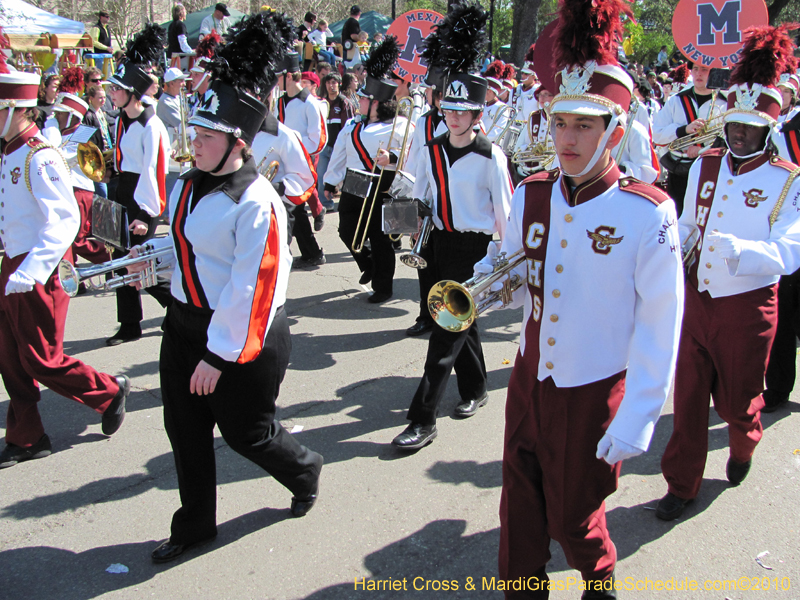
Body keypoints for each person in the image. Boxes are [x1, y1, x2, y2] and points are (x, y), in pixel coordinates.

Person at [487, 1, 683, 594]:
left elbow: (660, 322)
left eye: (584, 127)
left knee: (576, 519)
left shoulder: (646, 212)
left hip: (592, 390)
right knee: (518, 516)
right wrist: (491, 281)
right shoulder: (532, 193)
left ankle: (599, 583)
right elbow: (515, 272)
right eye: (559, 123)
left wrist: (640, 413)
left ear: (614, 133)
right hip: (528, 379)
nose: (566, 139)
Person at [133, 14, 323, 562]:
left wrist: (218, 356)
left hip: (245, 336)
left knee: (248, 435)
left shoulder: (257, 201)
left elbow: (252, 290)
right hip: (185, 324)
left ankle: (305, 469)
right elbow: (183, 250)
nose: (194, 143)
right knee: (184, 431)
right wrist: (142, 259)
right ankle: (194, 525)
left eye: (207, 136)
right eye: (194, 132)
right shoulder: (189, 185)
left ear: (237, 141)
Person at [657, 25, 800, 522]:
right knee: (689, 397)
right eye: (733, 125)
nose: (738, 134)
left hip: (747, 304)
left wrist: (741, 250)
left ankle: (744, 444)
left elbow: (790, 250)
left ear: (767, 130)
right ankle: (681, 483)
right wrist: (673, 243)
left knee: (739, 401)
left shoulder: (785, 180)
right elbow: (688, 221)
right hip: (697, 297)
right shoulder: (706, 164)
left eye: (749, 128)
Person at [391, 3, 513, 451]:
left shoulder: (490, 156)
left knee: (445, 332)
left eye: (464, 111)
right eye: (450, 109)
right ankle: (477, 389)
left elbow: (507, 214)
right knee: (463, 322)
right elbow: (416, 195)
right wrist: (401, 220)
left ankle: (422, 418)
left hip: (475, 248)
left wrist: (502, 263)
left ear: (478, 114)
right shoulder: (430, 149)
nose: (454, 117)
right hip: (436, 244)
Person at [0, 55, 130, 469]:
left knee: (41, 357)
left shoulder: (40, 155)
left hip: (38, 266)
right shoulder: (9, 151)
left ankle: (108, 392)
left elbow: (65, 219)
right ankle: (27, 437)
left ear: (17, 110)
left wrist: (32, 269)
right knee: (7, 355)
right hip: (11, 263)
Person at [323, 37, 408, 303]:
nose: (357, 101)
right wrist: (329, 182)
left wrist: (392, 157)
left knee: (382, 238)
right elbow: (339, 155)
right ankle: (367, 263)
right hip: (356, 182)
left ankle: (383, 288)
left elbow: (411, 154)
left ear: (377, 103)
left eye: (363, 98)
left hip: (386, 184)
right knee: (346, 230)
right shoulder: (351, 126)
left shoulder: (401, 125)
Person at [105, 24, 173, 346]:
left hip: (142, 198)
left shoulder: (152, 125)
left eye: (116, 89)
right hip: (122, 190)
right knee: (121, 260)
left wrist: (146, 216)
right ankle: (130, 324)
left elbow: (154, 172)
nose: (111, 93)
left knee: (138, 260)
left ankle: (175, 304)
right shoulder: (120, 119)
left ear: (132, 91)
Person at [41, 67, 110, 267]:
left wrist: (51, 127)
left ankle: (114, 257)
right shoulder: (59, 131)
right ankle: (73, 277)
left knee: (76, 239)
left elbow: (56, 154)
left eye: (61, 114)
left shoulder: (81, 134)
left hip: (79, 191)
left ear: (71, 116)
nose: (56, 117)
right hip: (69, 190)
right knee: (66, 239)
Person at [652, 61, 727, 215]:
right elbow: (657, 134)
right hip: (679, 170)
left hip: (712, 170)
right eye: (696, 69)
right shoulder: (676, 100)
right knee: (678, 214)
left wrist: (701, 150)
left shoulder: (724, 103)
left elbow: (727, 138)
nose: (699, 73)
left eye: (704, 70)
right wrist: (683, 130)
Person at [317, 72, 356, 210]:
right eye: (328, 82)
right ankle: (325, 205)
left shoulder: (344, 103)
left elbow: (349, 128)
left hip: (339, 148)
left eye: (334, 82)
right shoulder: (322, 103)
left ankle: (345, 204)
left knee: (344, 176)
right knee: (322, 177)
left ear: (339, 84)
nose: (331, 85)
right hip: (324, 147)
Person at [84, 83, 114, 197]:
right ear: (91, 99)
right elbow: (88, 139)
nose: (103, 100)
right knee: (102, 192)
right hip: (96, 158)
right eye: (100, 97)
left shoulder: (101, 113)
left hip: (106, 156)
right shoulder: (88, 115)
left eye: (104, 97)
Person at [157, 67, 187, 141]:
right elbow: (181, 124)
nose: (184, 84)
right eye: (181, 81)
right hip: (170, 144)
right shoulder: (165, 101)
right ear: (171, 83)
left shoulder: (177, 97)